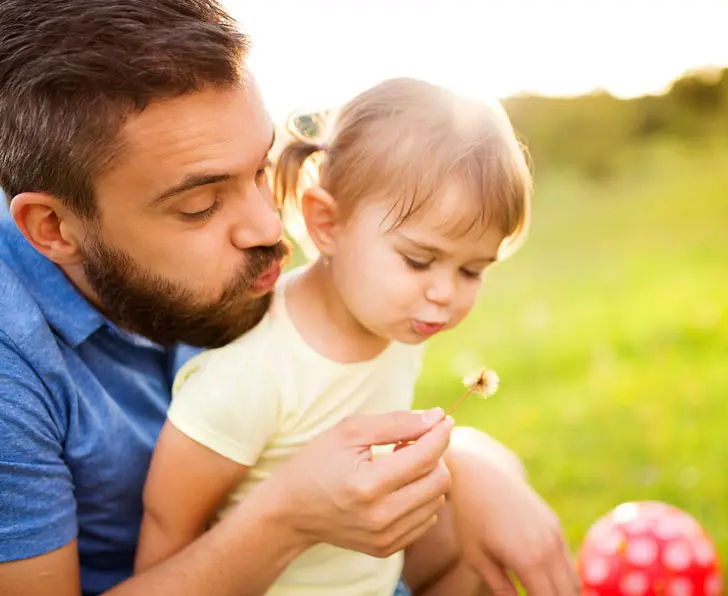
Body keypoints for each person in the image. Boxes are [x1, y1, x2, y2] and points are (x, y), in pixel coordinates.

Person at [0, 1, 577, 595]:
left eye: (260, 170)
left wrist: (475, 468)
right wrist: (289, 518)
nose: (271, 229)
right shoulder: (10, 367)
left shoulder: (269, 266)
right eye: (200, 206)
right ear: (54, 228)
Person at [133, 76, 537, 596]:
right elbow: (169, 527)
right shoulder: (250, 373)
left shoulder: (393, 318)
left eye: (472, 271)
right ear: (327, 223)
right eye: (419, 260)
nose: (445, 293)